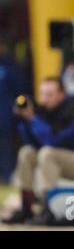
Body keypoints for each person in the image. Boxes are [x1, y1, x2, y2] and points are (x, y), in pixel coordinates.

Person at [2, 77, 74, 225]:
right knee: (27, 152)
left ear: (62, 95)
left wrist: (33, 119)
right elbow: (33, 143)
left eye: (50, 94)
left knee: (47, 153)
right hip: (69, 158)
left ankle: (49, 209)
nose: (45, 99)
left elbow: (53, 141)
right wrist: (26, 120)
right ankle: (26, 208)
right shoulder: (46, 111)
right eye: (42, 94)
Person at [0, 38, 27, 183]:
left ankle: (7, 175)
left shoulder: (9, 66)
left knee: (6, 146)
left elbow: (20, 90)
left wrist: (18, 108)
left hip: (4, 115)